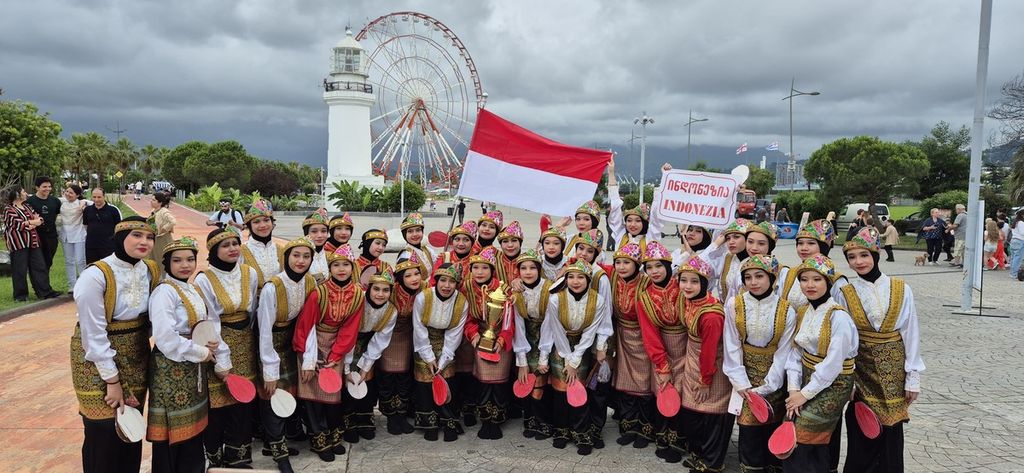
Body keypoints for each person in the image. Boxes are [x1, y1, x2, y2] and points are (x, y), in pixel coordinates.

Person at [70, 216, 159, 473]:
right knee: (103, 429)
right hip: (95, 359)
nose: (144, 242)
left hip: (136, 354)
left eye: (149, 237)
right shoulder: (96, 275)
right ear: (120, 238)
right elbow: (93, 333)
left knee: (130, 427)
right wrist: (112, 381)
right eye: (136, 235)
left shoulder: (150, 270)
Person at [836, 227, 924, 473]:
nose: (858, 262)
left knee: (892, 431)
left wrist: (913, 376)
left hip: (894, 371)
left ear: (875, 255)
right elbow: (845, 338)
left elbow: (910, 331)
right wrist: (848, 379)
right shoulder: (846, 293)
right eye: (852, 258)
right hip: (861, 371)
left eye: (863, 255)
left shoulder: (900, 288)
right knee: (862, 426)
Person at [783, 255, 858, 473]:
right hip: (807, 380)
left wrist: (804, 395)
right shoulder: (804, 311)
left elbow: (833, 365)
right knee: (790, 424)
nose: (810, 285)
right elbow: (795, 353)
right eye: (804, 279)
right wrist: (793, 389)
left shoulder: (839, 317)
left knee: (802, 432)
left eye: (816, 279)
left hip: (835, 384)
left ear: (828, 282)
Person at [722, 255, 796, 473]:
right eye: (748, 277)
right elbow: (732, 344)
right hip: (744, 375)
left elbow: (784, 352)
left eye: (759, 276)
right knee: (749, 428)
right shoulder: (735, 305)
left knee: (772, 425)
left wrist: (769, 385)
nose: (753, 282)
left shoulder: (786, 309)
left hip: (775, 376)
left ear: (771, 278)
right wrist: (741, 383)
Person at [146, 236, 213, 473]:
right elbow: (165, 338)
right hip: (170, 367)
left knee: (193, 427)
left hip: (192, 366)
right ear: (167, 263)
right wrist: (200, 352)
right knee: (171, 430)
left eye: (190, 259)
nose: (185, 265)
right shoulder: (165, 292)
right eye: (177, 260)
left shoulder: (192, 288)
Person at [194, 228, 260, 468]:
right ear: (213, 251)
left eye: (235, 243)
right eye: (225, 245)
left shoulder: (249, 273)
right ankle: (214, 456)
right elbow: (210, 319)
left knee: (243, 402)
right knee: (220, 404)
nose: (232, 248)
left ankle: (239, 456)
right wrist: (222, 358)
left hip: (245, 342)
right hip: (218, 344)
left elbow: (252, 312)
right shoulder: (204, 279)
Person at [293, 244, 363, 461]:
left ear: (353, 268)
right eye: (336, 265)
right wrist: (307, 358)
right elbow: (305, 326)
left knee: (332, 394)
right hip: (312, 344)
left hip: (337, 347)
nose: (341, 269)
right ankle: (318, 441)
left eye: (346, 265)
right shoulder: (319, 292)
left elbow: (350, 329)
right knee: (313, 396)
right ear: (329, 268)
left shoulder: (358, 295)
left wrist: (335, 356)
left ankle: (334, 435)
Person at [255, 237, 316, 473]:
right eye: (296, 255)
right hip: (269, 345)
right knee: (272, 395)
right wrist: (269, 370)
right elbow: (264, 331)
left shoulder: (310, 283)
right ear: (286, 258)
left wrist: (309, 359)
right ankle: (279, 454)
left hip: (293, 343)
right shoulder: (273, 287)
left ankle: (281, 441)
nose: (301, 261)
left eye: (306, 256)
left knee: (289, 395)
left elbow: (310, 323)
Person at [537, 259, 608, 456]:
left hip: (582, 347)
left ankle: (580, 431)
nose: (575, 281)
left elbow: (590, 332)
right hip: (559, 347)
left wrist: (575, 359)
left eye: (580, 277)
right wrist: (564, 358)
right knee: (560, 390)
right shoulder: (555, 300)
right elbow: (555, 331)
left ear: (588, 279)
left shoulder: (598, 301)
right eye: (571, 277)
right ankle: (561, 431)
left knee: (579, 390)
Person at [676, 255, 733, 473]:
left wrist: (705, 380)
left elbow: (710, 351)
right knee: (694, 413)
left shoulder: (711, 315)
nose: (687, 286)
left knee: (712, 416)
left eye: (694, 281)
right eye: (684, 280)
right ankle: (700, 455)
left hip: (710, 368)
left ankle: (712, 464)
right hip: (694, 362)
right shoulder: (690, 301)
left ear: (704, 284)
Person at [635, 241, 686, 463]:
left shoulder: (684, 288)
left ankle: (681, 440)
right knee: (664, 390)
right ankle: (663, 437)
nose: (654, 271)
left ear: (668, 265)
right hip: (662, 349)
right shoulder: (644, 297)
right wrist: (662, 364)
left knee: (685, 394)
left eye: (659, 266)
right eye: (649, 268)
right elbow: (650, 334)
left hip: (687, 348)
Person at [411, 263, 469, 442]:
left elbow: (455, 334)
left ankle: (448, 421)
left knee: (446, 379)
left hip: (447, 342)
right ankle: (430, 424)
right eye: (443, 280)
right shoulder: (423, 298)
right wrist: (428, 357)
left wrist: (443, 360)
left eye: (452, 281)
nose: (446, 285)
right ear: (436, 281)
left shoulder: (461, 302)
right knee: (425, 381)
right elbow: (419, 329)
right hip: (424, 340)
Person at [607, 242, 655, 449]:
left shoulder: (647, 282)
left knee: (644, 387)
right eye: (618, 262)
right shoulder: (612, 277)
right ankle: (629, 428)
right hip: (622, 336)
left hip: (644, 338)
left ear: (637, 264)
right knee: (626, 386)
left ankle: (645, 430)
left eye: (627, 262)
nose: (622, 267)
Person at [342, 269, 398, 443]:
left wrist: (366, 365)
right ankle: (347, 422)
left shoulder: (391, 311)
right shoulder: (357, 302)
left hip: (368, 343)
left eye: (386, 290)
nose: (380, 294)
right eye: (376, 289)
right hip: (347, 343)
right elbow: (347, 333)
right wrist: (346, 367)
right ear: (369, 289)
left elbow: (380, 340)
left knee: (366, 380)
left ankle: (365, 418)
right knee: (348, 382)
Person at [462, 247, 513, 439]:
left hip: (501, 339)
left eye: (484, 268)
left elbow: (510, 319)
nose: (480, 272)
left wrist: (503, 338)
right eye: (476, 268)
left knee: (499, 383)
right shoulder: (466, 287)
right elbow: (465, 316)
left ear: (492, 270)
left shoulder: (504, 289)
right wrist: (473, 334)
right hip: (480, 338)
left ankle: (498, 420)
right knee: (483, 382)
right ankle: (485, 419)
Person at [511, 249, 554, 440]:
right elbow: (518, 325)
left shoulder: (549, 290)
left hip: (548, 339)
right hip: (525, 339)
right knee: (526, 378)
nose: (528, 272)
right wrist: (522, 360)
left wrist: (544, 357)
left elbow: (549, 325)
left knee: (541, 381)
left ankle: (544, 421)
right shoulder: (516, 292)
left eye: (532, 268)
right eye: (523, 268)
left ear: (539, 269)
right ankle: (529, 419)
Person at [379, 256, 423, 435]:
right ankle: (391, 416)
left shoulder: (424, 289)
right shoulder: (391, 291)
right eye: (408, 276)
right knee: (388, 378)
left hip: (410, 337)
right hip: (388, 336)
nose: (414, 279)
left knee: (405, 378)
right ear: (399, 279)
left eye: (417, 274)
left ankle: (402, 414)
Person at [3, 185, 58, 301]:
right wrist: (33, 222)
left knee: (39, 267)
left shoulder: (27, 206)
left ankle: (45, 292)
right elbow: (18, 225)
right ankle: (21, 295)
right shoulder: (9, 209)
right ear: (17, 194)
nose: (26, 193)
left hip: (33, 242)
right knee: (20, 270)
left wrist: (31, 223)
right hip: (19, 244)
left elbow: (40, 220)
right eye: (23, 191)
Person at [606, 160, 665, 252]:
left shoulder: (650, 238)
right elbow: (615, 203)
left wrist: (665, 176)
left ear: (644, 223)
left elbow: (656, 212)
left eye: (638, 221)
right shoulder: (620, 235)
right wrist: (611, 172)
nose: (633, 225)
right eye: (629, 220)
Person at [704, 219, 750, 302]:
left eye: (736, 237)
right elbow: (699, 266)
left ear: (748, 239)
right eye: (728, 238)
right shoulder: (727, 258)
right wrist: (715, 244)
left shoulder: (757, 261)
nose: (731, 241)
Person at [57, 184, 90, 291]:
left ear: (78, 195)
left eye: (71, 193)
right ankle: (72, 285)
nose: (68, 194)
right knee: (69, 261)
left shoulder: (81, 203)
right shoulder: (62, 202)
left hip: (79, 234)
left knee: (80, 260)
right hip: (66, 235)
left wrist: (83, 202)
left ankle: (84, 284)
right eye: (67, 191)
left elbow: (91, 202)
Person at [25, 176, 61, 270]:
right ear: (37, 187)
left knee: (48, 262)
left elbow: (56, 215)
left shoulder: (55, 201)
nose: (48, 189)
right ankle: (38, 284)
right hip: (36, 236)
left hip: (51, 236)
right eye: (44, 186)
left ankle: (44, 284)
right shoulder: (29, 202)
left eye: (49, 186)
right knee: (37, 263)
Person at [82, 187, 122, 264]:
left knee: (109, 268)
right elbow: (86, 226)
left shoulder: (113, 210)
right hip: (91, 245)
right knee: (92, 268)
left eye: (99, 197)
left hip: (108, 245)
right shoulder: (87, 210)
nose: (96, 199)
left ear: (104, 196)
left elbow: (118, 228)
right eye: (94, 197)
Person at [397, 212, 435, 276]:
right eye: (410, 231)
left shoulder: (428, 250)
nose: (415, 234)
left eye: (418, 230)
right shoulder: (405, 255)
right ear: (404, 235)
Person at [148, 191, 176, 278]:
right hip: (155, 239)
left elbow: (173, 221)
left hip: (163, 239)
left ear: (160, 202)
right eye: (151, 199)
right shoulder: (154, 211)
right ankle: (154, 277)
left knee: (162, 259)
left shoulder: (164, 211)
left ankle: (164, 278)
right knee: (153, 258)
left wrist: (164, 229)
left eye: (153, 200)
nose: (151, 201)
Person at [302, 208, 331, 283]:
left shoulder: (330, 256)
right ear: (306, 233)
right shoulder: (299, 257)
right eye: (314, 231)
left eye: (324, 231)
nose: (320, 235)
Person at [1009, 210, 1024, 279]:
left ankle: (1012, 273)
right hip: (1020, 240)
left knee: (1013, 257)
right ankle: (1014, 274)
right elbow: (1022, 232)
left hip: (1013, 240)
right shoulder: (1021, 223)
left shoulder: (1015, 222)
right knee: (1018, 258)